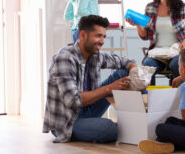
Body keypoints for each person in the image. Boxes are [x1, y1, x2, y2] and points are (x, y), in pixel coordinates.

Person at [43, 15, 137, 143]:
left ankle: (142, 120)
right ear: (83, 35)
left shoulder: (95, 55)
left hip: (88, 111)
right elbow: (73, 100)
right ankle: (127, 129)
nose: (102, 41)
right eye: (98, 36)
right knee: (109, 129)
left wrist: (134, 70)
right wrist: (109, 89)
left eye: (104, 36)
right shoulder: (65, 58)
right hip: (68, 121)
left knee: (123, 73)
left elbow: (126, 61)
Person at [126, 0, 185, 85]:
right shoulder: (150, 7)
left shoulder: (184, 8)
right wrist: (137, 24)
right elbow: (145, 35)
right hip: (156, 54)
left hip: (176, 53)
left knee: (176, 64)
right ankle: (150, 99)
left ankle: (177, 98)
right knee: (147, 65)